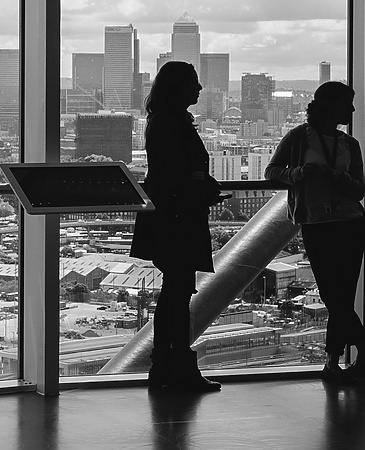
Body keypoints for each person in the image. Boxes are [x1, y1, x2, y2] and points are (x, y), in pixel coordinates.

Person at [265, 81, 365, 381]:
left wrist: (329, 176)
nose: (353, 109)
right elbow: (272, 171)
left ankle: (333, 361)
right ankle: (361, 348)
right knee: (335, 296)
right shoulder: (299, 138)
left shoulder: (349, 144)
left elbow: (359, 189)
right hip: (324, 224)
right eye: (348, 103)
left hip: (346, 223)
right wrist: (300, 173)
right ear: (330, 106)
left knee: (338, 296)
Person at [130, 60, 226, 392]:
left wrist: (200, 185)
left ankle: (166, 368)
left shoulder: (162, 121)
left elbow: (170, 173)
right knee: (177, 295)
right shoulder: (172, 123)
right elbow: (177, 175)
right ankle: (178, 369)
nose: (199, 89)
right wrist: (204, 189)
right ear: (178, 87)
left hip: (169, 216)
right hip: (178, 218)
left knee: (174, 294)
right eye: (193, 83)